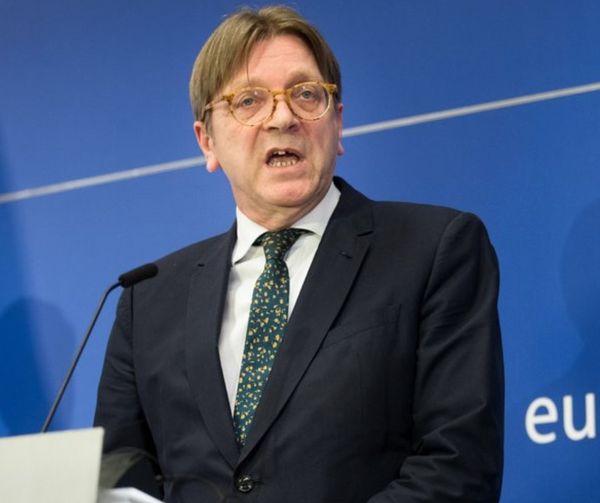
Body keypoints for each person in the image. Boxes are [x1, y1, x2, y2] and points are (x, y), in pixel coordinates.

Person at [95, 5, 504, 502]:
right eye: (249, 101)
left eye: (306, 94)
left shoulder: (432, 249)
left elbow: (458, 469)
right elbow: (117, 481)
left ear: (338, 123)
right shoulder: (147, 300)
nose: (283, 117)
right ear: (207, 142)